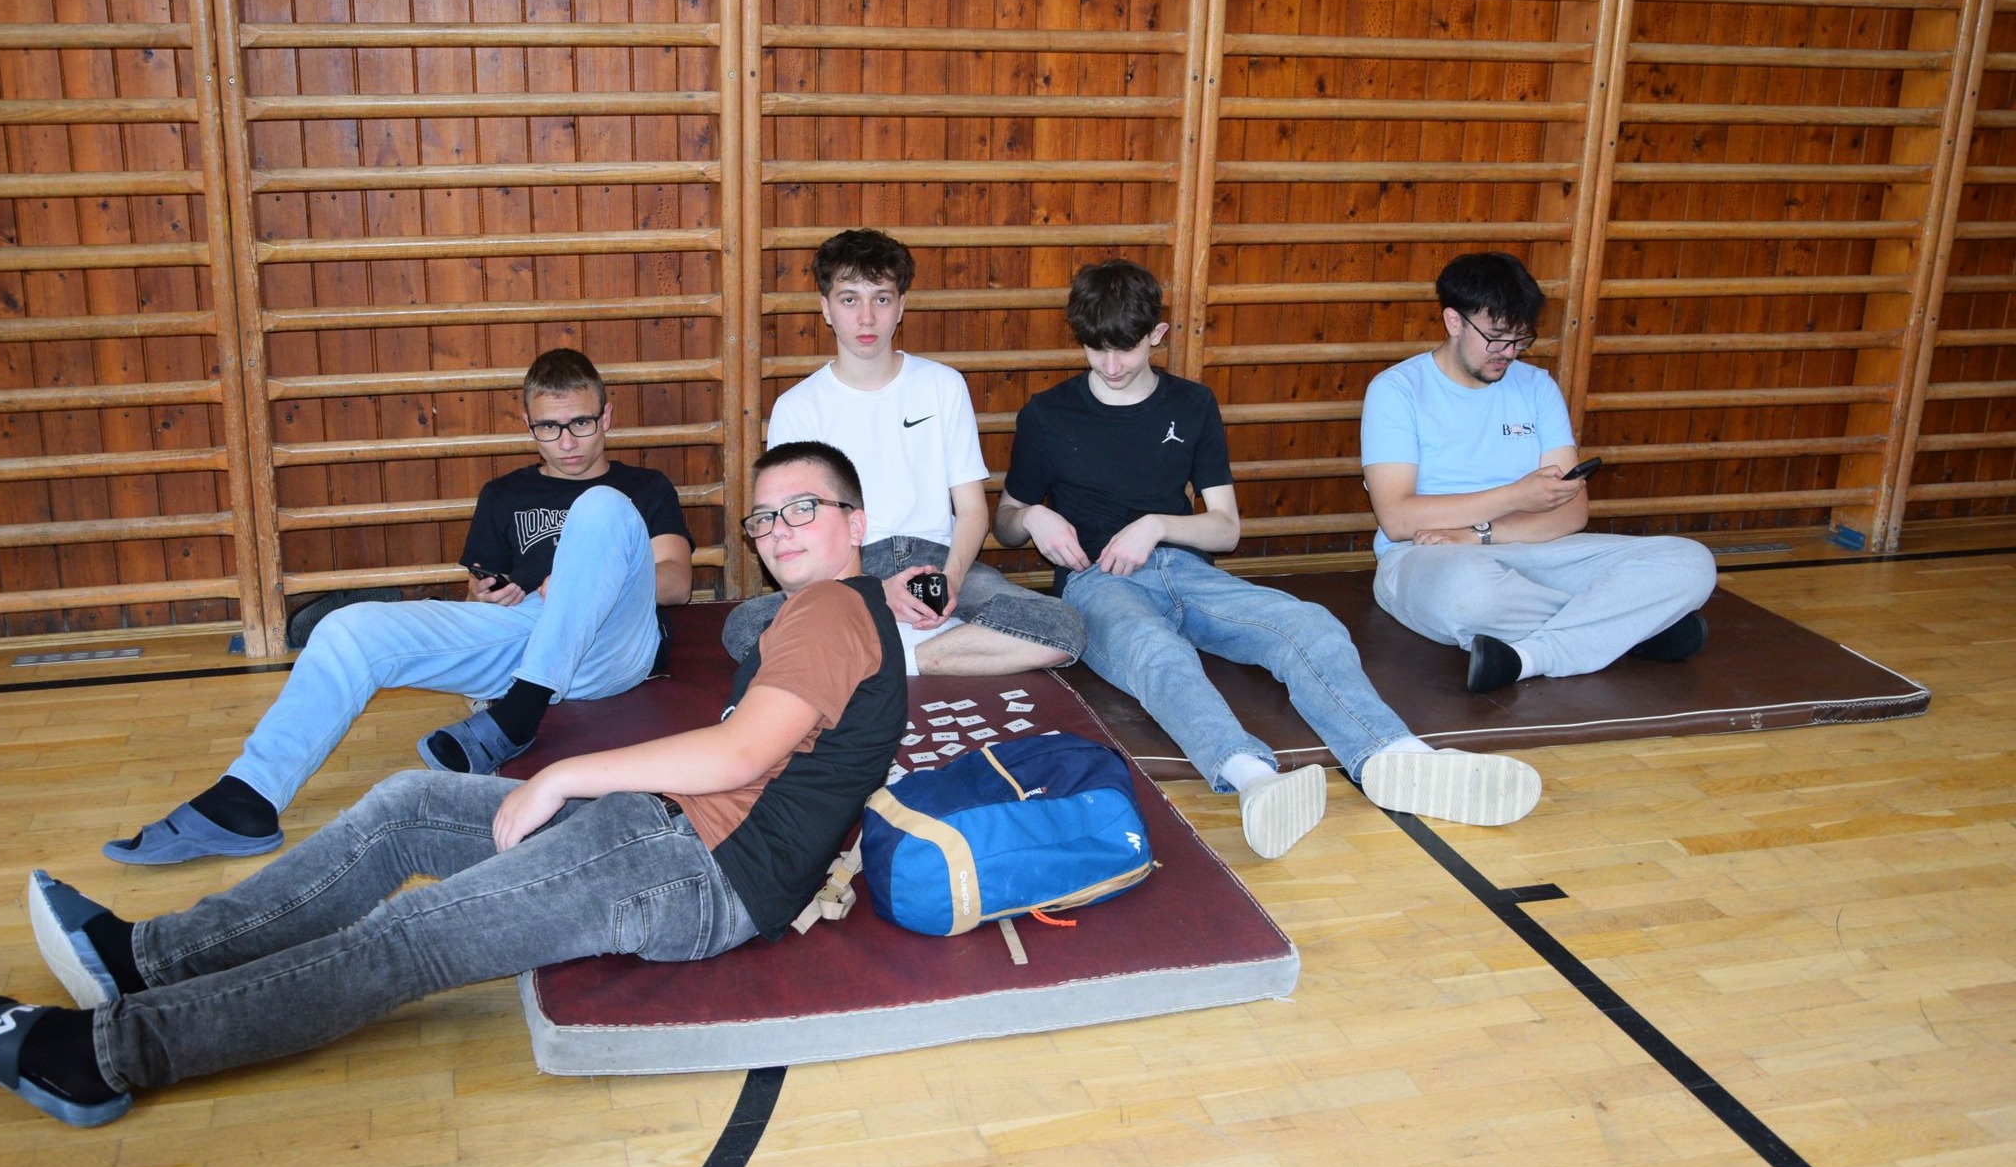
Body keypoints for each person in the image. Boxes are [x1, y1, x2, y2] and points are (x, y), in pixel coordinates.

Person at [0, 442, 906, 1127]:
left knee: (411, 935)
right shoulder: (829, 612)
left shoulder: (829, 611)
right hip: (663, 832)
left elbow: (739, 755)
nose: (778, 530)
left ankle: (106, 1054)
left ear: (856, 523)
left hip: (692, 867)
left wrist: (559, 776)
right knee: (405, 807)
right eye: (763, 517)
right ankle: (154, 955)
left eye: (803, 509)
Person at [995, 260, 1541, 862]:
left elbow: (1225, 529)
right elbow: (1006, 522)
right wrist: (1033, 516)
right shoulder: (1047, 414)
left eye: (1125, 348)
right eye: (1096, 350)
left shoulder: (1192, 404)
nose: (1112, 365)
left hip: (1190, 571)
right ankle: (1254, 779)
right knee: (1155, 651)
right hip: (1098, 581)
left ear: (1157, 334)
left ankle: (1394, 756)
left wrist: (1156, 525)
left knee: (1308, 624)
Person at [103, 348, 695, 866]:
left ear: (606, 417)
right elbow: (478, 595)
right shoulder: (504, 494)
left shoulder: (642, 488)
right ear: (527, 425)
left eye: (581, 423)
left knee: (599, 506)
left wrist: (577, 584)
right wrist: (483, 595)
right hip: (522, 635)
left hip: (611, 644)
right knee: (348, 629)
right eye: (549, 427)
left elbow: (675, 583)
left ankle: (518, 714)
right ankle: (246, 798)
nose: (566, 442)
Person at [721, 228, 1086, 675]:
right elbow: (799, 527)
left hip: (939, 560)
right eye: (849, 300)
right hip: (848, 570)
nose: (867, 318)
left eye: (881, 299)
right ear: (826, 309)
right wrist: (873, 592)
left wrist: (951, 580)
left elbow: (972, 511)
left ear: (901, 306)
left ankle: (900, 657)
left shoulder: (942, 385)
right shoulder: (797, 407)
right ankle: (907, 636)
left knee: (1063, 626)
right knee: (744, 627)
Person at [1360, 252, 1716, 693]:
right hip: (1426, 556)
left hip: (1532, 547)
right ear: (1454, 321)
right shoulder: (1396, 391)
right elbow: (1398, 519)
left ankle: (1531, 657)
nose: (1509, 353)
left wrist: (1479, 534)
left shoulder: (1537, 387)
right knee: (1469, 597)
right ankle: (1631, 628)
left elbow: (1572, 513)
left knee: (1689, 561)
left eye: (1520, 339)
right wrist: (1515, 496)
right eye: (1496, 339)